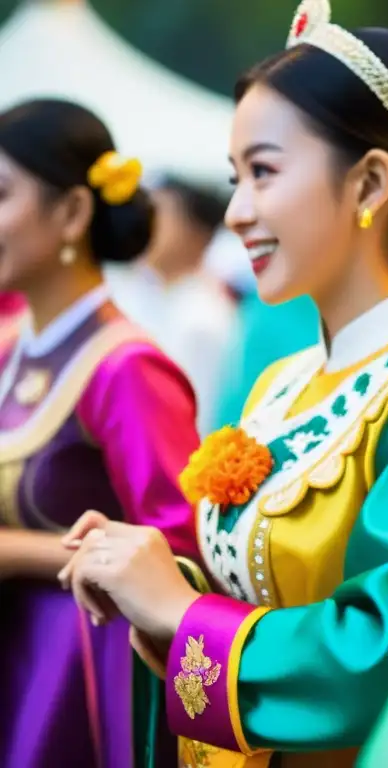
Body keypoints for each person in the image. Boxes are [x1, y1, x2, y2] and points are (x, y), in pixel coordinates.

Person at [57, 2, 388, 765]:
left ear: (370, 183)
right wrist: (152, 577)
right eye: (234, 178)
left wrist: (180, 611)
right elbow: (253, 589)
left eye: (264, 172)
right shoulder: (284, 384)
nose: (238, 213)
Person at [0, 99, 200, 768]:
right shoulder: (8, 349)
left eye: (2, 194)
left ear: (73, 213)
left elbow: (176, 550)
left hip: (73, 672)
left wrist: (19, 553)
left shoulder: (126, 369)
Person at [106, 174, 238, 433]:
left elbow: (198, 419)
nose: (146, 227)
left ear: (197, 233)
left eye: (160, 216)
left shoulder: (205, 317)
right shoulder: (138, 294)